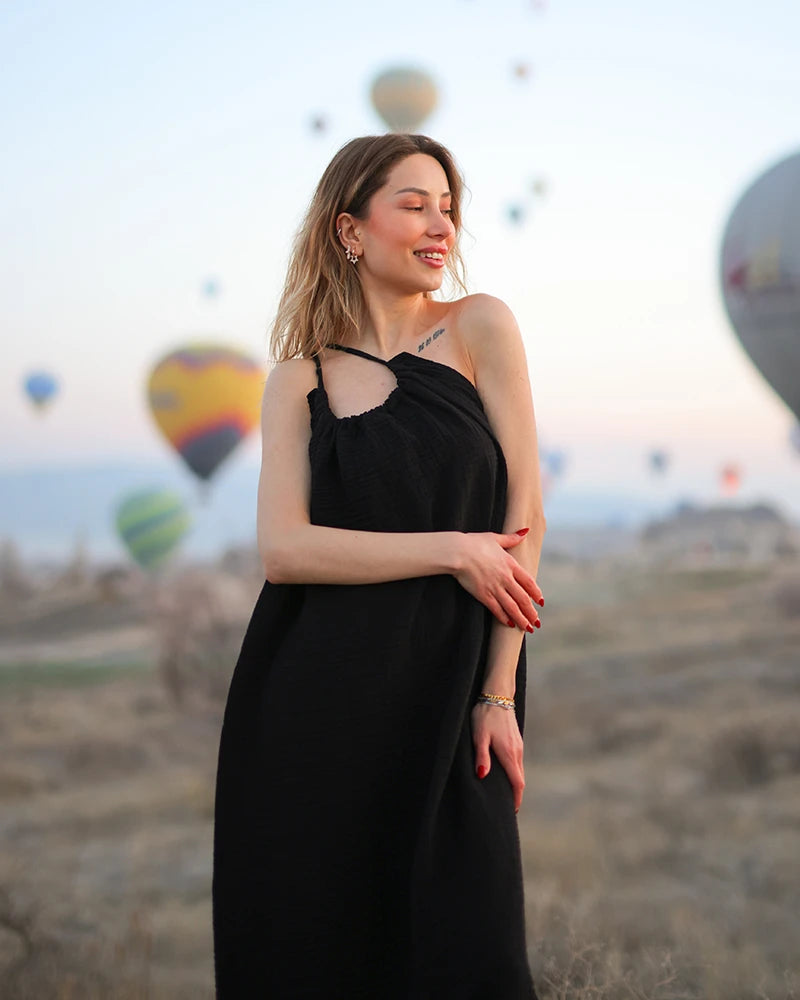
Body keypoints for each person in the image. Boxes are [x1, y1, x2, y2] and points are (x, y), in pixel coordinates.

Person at [212, 133, 546, 999]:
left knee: (475, 958)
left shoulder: (480, 326)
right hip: (312, 709)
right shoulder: (299, 380)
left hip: (453, 693)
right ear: (349, 230)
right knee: (320, 954)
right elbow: (285, 552)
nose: (441, 224)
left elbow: (525, 522)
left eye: (448, 206)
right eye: (414, 203)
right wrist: (450, 552)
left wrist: (498, 694)